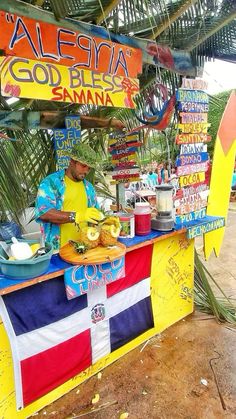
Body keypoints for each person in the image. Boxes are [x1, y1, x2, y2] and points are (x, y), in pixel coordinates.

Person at [35, 144, 102, 251]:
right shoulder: (51, 183)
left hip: (84, 248)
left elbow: (95, 217)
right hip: (57, 251)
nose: (86, 171)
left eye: (89, 168)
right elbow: (44, 213)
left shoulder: (89, 188)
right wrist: (77, 216)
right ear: (72, 161)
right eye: (83, 166)